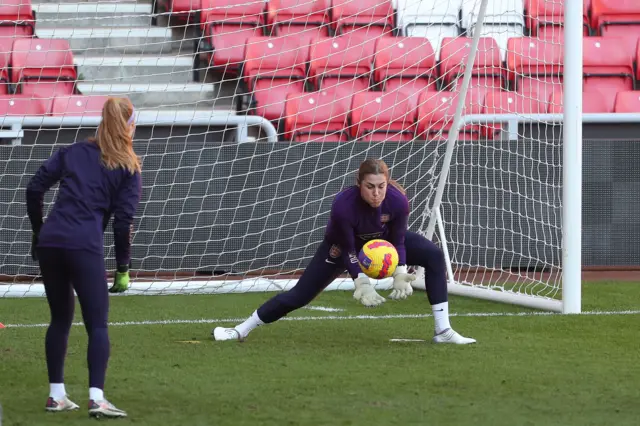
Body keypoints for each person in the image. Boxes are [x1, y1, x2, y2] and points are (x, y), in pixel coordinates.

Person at [213, 158, 475, 345]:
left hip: (382, 243)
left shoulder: (397, 200)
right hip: (343, 246)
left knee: (433, 255)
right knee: (299, 296)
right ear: (359, 183)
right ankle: (239, 330)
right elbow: (349, 249)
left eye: (381, 186)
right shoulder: (343, 205)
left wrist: (399, 269)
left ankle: (443, 331)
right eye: (370, 186)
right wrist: (360, 281)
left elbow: (398, 239)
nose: (376, 193)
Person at [26, 97, 141, 418]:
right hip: (83, 245)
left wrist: (39, 232)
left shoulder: (73, 152)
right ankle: (97, 399)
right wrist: (123, 268)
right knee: (97, 324)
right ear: (130, 125)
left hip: (51, 242)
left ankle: (57, 395)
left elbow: (34, 189)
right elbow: (123, 223)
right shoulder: (129, 166)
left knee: (60, 318)